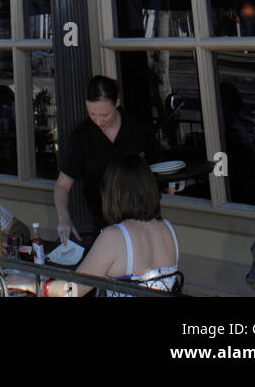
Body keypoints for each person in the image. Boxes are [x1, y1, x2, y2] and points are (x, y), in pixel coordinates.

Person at [16, 154, 180, 297]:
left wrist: (30, 283)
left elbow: (71, 291)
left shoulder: (115, 236)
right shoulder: (168, 228)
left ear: (112, 194)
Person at [55, 75, 156, 247]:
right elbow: (62, 186)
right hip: (102, 224)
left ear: (117, 102)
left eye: (105, 115)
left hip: (143, 222)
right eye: (92, 114)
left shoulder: (139, 128)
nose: (99, 121)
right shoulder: (82, 135)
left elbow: (157, 168)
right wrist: (64, 218)